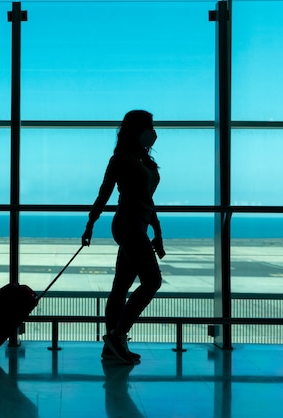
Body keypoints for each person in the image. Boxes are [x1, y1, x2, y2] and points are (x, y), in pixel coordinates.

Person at [81, 109, 165, 365]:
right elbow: (104, 193)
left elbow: (148, 201)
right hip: (127, 225)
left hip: (139, 227)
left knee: (120, 288)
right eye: (148, 125)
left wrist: (157, 232)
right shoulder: (120, 158)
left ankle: (111, 347)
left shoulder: (145, 161)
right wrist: (90, 225)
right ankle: (118, 336)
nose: (152, 130)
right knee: (152, 281)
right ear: (135, 129)